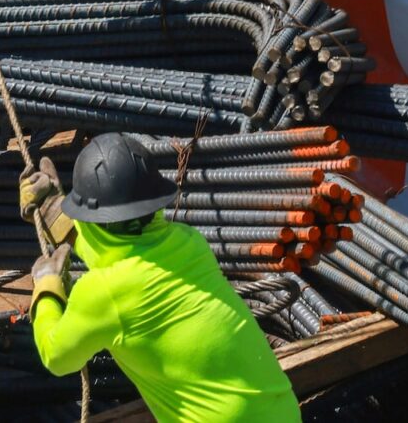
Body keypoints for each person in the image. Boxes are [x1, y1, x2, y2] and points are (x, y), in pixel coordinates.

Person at [19, 134, 301, 422]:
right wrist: (56, 214)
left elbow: (56, 356)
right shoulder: (189, 242)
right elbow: (123, 251)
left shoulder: (103, 293)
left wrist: (47, 287)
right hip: (283, 412)